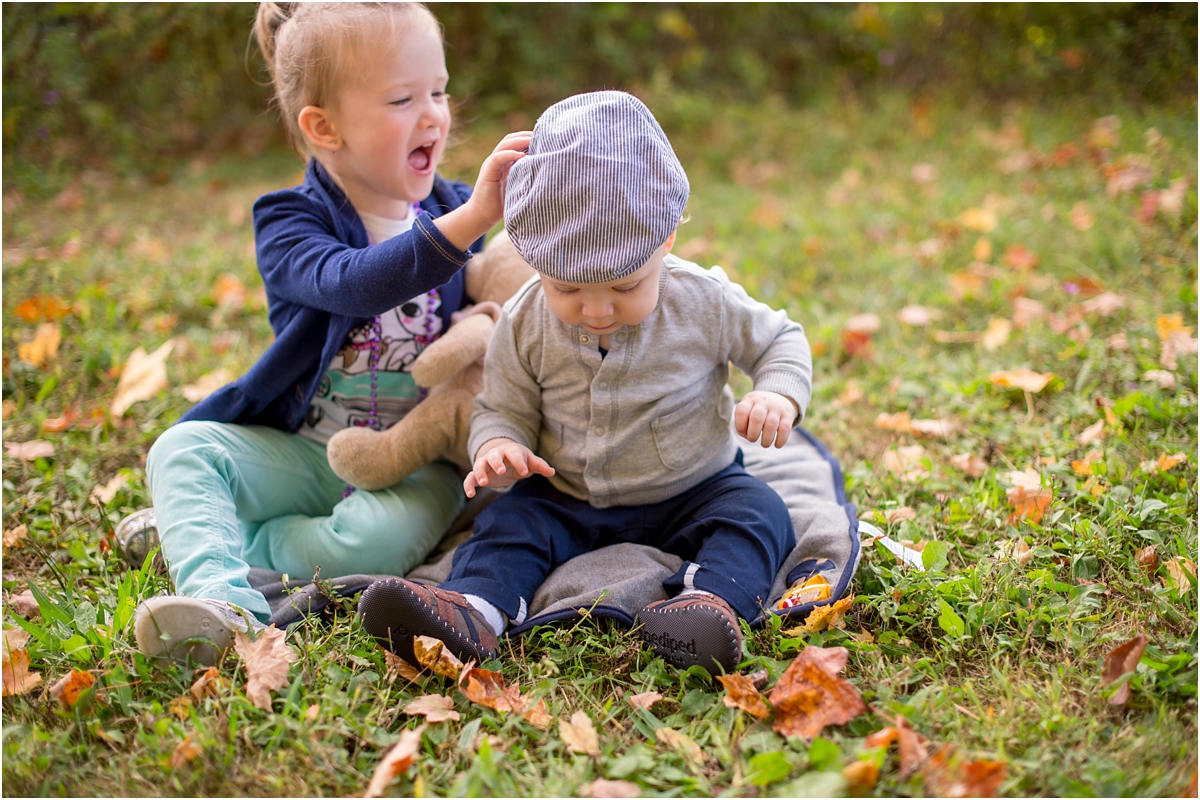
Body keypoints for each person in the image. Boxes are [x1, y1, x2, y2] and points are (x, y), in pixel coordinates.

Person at [126, 1, 530, 665]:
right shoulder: (289, 221)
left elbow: (517, 279)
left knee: (369, 549)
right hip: (308, 449)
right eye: (402, 99)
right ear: (324, 127)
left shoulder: (457, 204)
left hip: (417, 461)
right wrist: (471, 220)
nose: (434, 115)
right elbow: (354, 283)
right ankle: (223, 604)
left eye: (438, 91)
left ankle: (211, 534)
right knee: (183, 448)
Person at [358, 91, 812, 674]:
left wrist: (776, 391)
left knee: (759, 514)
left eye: (625, 286)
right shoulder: (524, 319)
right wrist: (498, 444)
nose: (596, 309)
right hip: (566, 493)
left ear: (667, 239)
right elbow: (501, 407)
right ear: (535, 262)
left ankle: (708, 605)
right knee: (508, 524)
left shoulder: (703, 300)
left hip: (695, 485)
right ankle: (473, 611)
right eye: (567, 289)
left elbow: (781, 340)